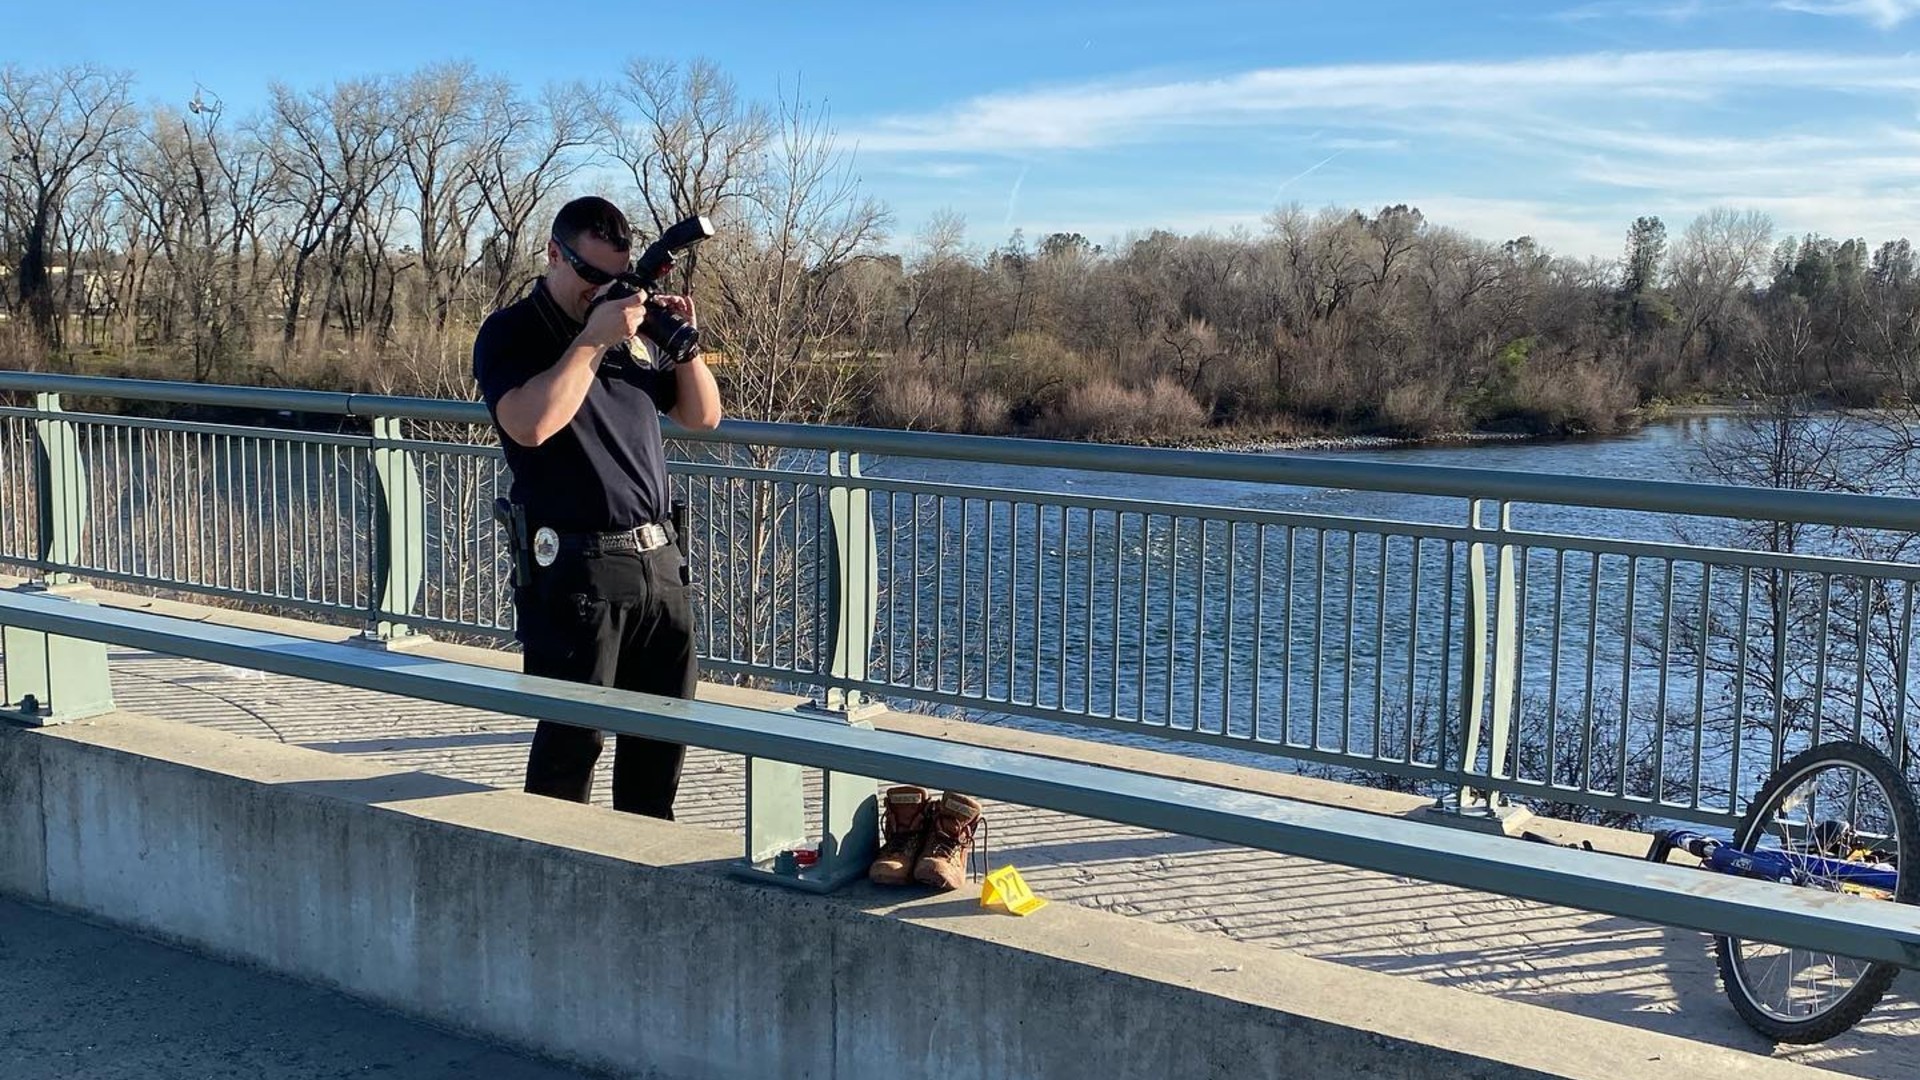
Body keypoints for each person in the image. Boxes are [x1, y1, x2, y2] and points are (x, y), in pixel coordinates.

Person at [472, 195, 723, 820]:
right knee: (571, 745)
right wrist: (591, 341)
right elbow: (530, 425)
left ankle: (644, 872)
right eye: (589, 275)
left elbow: (703, 417)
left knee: (661, 740)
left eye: (614, 278)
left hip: (660, 563)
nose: (602, 290)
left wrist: (681, 344)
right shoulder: (513, 331)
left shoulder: (629, 332)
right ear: (554, 253)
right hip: (577, 572)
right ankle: (555, 880)